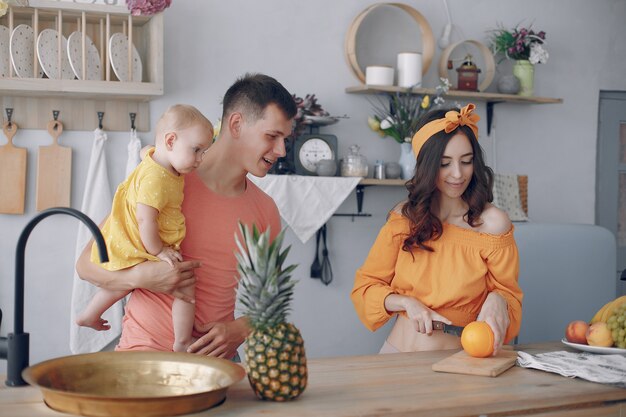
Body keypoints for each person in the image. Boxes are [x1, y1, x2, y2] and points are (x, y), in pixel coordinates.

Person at [76, 73, 296, 358]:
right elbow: (86, 266)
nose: (281, 150)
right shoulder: (164, 182)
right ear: (237, 125)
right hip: (143, 355)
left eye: (284, 139)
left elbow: (272, 295)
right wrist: (143, 276)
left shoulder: (265, 209)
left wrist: (240, 329)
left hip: (216, 364)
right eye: (272, 136)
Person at [351, 103, 523, 355]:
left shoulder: (493, 225)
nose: (457, 174)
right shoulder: (404, 218)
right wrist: (405, 302)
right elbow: (366, 287)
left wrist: (498, 298)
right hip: (392, 354)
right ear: (428, 166)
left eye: (466, 161)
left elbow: (510, 298)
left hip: (456, 362)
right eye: (444, 163)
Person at [77, 104, 213, 353]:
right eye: (196, 150)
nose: (200, 159)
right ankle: (182, 341)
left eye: (204, 151)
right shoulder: (157, 179)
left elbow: (145, 151)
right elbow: (145, 220)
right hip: (142, 240)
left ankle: (89, 313)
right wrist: (159, 251)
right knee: (185, 283)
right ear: (170, 140)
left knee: (122, 282)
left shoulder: (154, 157)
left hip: (128, 238)